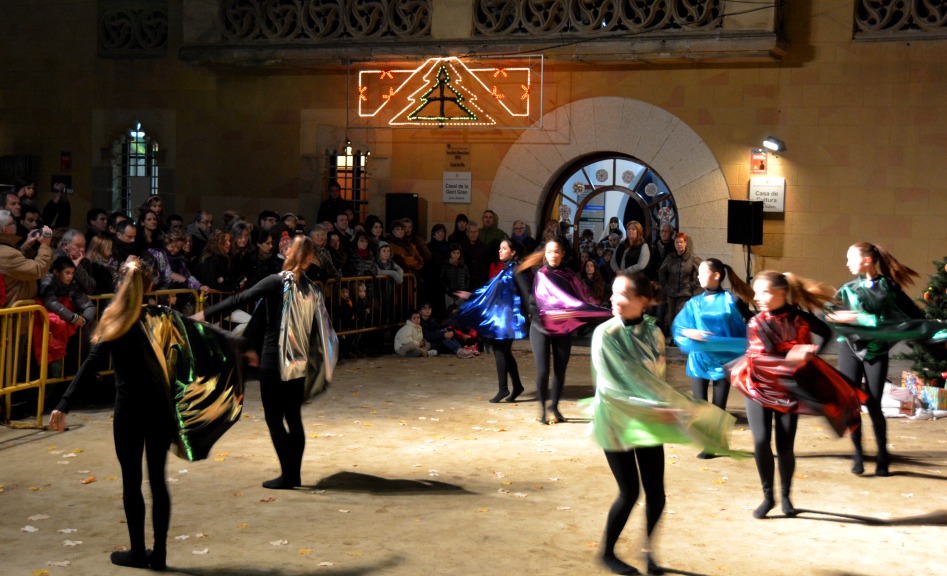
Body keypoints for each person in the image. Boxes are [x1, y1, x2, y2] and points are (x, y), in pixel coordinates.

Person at [50, 258, 245, 570]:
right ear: (151, 287)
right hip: (160, 410)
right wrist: (240, 346)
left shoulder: (114, 321)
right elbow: (205, 340)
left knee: (132, 481)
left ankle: (138, 551)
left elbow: (90, 366)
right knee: (157, 480)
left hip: (129, 412)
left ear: (120, 286)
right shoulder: (164, 317)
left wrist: (63, 404)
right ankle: (161, 553)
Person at [584, 271, 739, 575]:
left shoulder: (653, 333)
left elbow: (656, 380)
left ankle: (648, 552)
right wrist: (661, 407)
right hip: (616, 420)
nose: (614, 300)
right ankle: (607, 553)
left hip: (648, 419)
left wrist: (674, 407)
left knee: (656, 492)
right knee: (629, 491)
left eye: (624, 294)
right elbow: (613, 387)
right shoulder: (605, 334)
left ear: (643, 302)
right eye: (614, 293)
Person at [196, 236, 336, 489]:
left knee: (274, 418)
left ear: (290, 254)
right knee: (293, 417)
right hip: (299, 362)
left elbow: (239, 299)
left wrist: (203, 315)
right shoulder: (312, 289)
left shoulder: (276, 281)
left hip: (274, 360)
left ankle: (289, 475)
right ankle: (294, 473)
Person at [730, 270, 866, 519]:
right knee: (761, 442)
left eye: (764, 292)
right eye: (756, 291)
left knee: (784, 446)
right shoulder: (755, 322)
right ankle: (768, 496)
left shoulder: (800, 319)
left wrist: (809, 353)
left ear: (781, 293)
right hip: (758, 385)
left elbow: (826, 333)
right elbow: (765, 354)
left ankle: (785, 496)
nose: (757, 297)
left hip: (787, 388)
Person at [826, 243, 946, 477]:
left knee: (873, 403)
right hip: (849, 347)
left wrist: (932, 335)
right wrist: (841, 315)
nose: (847, 263)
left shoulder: (888, 287)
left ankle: (883, 455)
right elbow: (828, 311)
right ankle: (858, 454)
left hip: (875, 349)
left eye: (851, 258)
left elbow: (914, 317)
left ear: (868, 260)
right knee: (850, 402)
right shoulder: (848, 287)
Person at [519, 237, 611, 424]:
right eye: (549, 251)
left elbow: (581, 298)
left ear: (562, 254)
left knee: (560, 370)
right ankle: (544, 409)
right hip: (540, 327)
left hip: (562, 327)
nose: (553, 255)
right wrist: (537, 315)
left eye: (556, 251)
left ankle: (555, 407)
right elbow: (533, 301)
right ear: (545, 254)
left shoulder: (569, 275)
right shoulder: (541, 274)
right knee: (543, 371)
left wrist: (599, 310)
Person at [672, 259, 753, 457]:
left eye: (701, 272)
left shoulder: (732, 300)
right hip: (700, 358)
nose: (698, 276)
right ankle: (707, 441)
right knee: (700, 404)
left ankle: (716, 443)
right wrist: (690, 332)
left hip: (724, 360)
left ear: (716, 275)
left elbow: (753, 321)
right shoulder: (694, 302)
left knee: (719, 405)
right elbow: (679, 326)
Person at [453, 238, 529, 402]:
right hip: (502, 318)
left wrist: (530, 312)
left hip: (507, 319)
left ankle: (504, 389)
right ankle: (516, 386)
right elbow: (489, 291)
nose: (500, 251)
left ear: (513, 252)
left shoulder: (515, 269)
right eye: (500, 248)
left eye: (504, 248)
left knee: (501, 351)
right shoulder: (505, 269)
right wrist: (471, 295)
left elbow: (526, 291)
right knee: (504, 351)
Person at [0, 210, 53, 306]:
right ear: (5, 230)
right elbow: (38, 270)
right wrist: (45, 245)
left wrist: (27, 245)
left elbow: (17, 265)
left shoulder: (5, 249)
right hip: (14, 315)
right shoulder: (5, 254)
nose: (16, 224)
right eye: (13, 222)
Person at [658, 232, 701, 339]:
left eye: (681, 242)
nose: (679, 244)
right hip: (671, 291)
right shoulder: (670, 257)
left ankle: (682, 336)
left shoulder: (692, 258)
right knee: (671, 315)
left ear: (685, 243)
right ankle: (674, 337)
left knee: (681, 314)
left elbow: (701, 272)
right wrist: (665, 285)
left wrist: (692, 285)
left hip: (685, 291)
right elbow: (662, 271)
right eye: (677, 242)